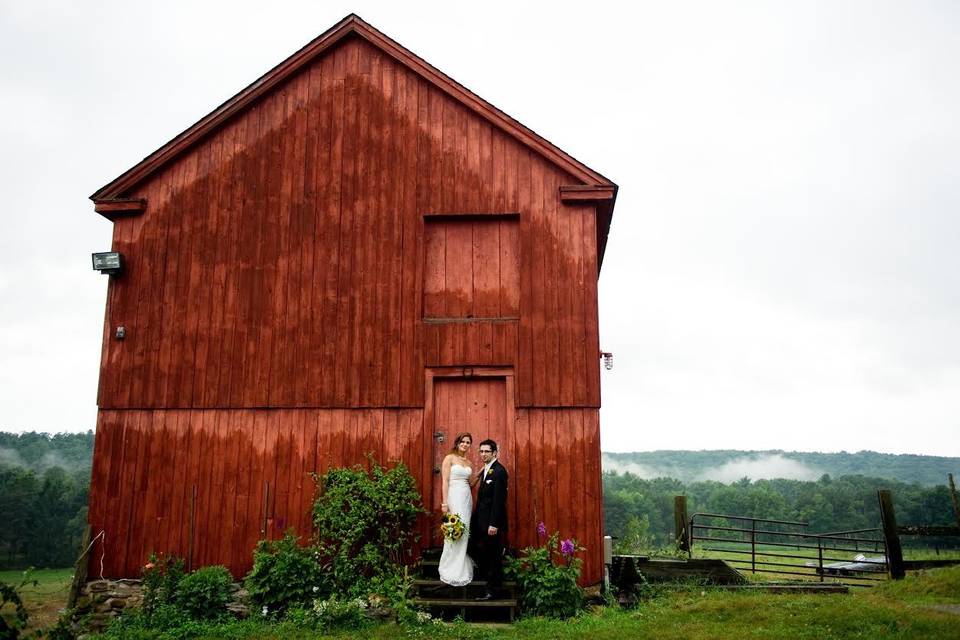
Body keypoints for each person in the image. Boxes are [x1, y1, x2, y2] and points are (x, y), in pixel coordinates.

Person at [438, 432, 478, 586]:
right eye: (463, 441)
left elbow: (470, 483)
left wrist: (481, 473)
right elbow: (445, 482)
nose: (465, 444)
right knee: (454, 529)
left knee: (464, 530)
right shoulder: (449, 458)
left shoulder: (469, 463)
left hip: (466, 498)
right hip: (453, 497)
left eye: (468, 442)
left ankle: (461, 561)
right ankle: (450, 565)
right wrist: (444, 503)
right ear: (458, 442)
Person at [471, 439, 508, 600]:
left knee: (494, 556)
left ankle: (493, 591)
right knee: (478, 548)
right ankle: (485, 582)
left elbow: (499, 501)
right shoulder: (487, 469)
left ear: (494, 453)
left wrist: (494, 524)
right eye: (481, 451)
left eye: (487, 451)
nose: (483, 454)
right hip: (481, 521)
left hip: (491, 524)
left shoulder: (499, 471)